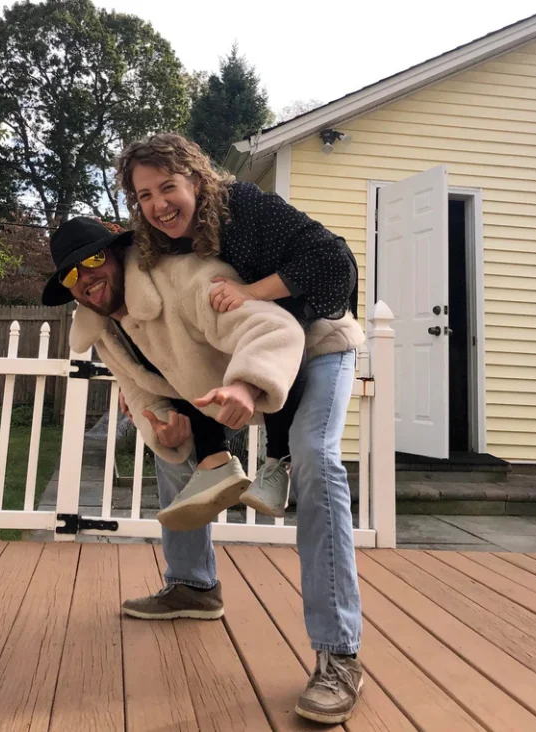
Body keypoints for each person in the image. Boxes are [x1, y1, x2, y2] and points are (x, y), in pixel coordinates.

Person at [114, 133, 366, 725]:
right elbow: (154, 322)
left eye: (168, 187)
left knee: (314, 456)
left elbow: (335, 262)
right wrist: (149, 394)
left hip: (319, 344)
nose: (158, 204)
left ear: (197, 180)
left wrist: (252, 292)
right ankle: (192, 584)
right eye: (144, 195)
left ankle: (338, 655)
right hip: (243, 357)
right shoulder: (155, 247)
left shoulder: (244, 208)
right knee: (172, 434)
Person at [41, 216, 306, 535]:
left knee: (318, 457)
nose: (85, 276)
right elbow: (138, 390)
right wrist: (163, 429)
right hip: (218, 384)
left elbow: (275, 330)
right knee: (170, 451)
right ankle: (214, 466)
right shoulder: (105, 331)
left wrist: (247, 385)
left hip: (303, 355)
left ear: (118, 253)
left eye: (94, 259)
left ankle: (279, 462)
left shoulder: (183, 280)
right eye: (71, 275)